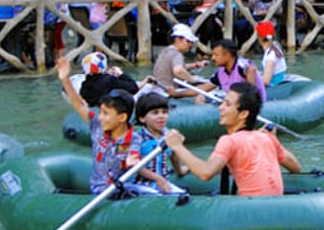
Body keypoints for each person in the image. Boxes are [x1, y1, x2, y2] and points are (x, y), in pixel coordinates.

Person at [165, 83, 299, 196]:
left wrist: (177, 146)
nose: (220, 107)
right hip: (274, 207)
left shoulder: (229, 141)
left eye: (227, 104)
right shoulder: (267, 138)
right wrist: (274, 141)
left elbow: (205, 173)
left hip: (249, 211)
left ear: (243, 114)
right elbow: (296, 167)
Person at [55, 53, 141, 194]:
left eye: (106, 114)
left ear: (122, 117)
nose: (100, 117)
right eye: (101, 112)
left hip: (123, 189)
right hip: (101, 190)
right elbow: (79, 105)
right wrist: (65, 79)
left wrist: (130, 163)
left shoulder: (134, 138)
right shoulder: (98, 127)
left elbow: (131, 159)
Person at [130, 90, 187, 195]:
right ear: (142, 118)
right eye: (155, 113)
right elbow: (135, 166)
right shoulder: (137, 137)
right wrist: (157, 178)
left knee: (183, 196)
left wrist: (179, 171)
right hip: (142, 184)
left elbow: (173, 155)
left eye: (164, 112)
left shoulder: (167, 134)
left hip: (162, 182)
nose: (161, 116)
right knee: (156, 195)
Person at [152, 23, 211, 99]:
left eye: (192, 42)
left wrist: (197, 65)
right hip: (169, 93)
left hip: (158, 89)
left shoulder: (165, 51)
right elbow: (178, 71)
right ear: (178, 39)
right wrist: (192, 79)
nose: (190, 44)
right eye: (188, 41)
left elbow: (174, 67)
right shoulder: (176, 54)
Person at [256, 21, 288, 86]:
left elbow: (265, 81)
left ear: (260, 37)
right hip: (278, 82)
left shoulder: (271, 57)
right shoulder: (275, 46)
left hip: (274, 86)